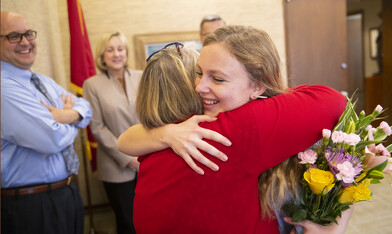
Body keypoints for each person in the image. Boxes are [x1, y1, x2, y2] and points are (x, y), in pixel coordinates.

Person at [118, 25, 350, 233]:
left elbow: (124, 141)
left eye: (217, 78)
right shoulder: (231, 130)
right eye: (198, 73)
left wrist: (163, 133)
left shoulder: (159, 144)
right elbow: (334, 101)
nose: (200, 86)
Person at [1, 11, 91, 234]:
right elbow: (51, 140)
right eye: (14, 36)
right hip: (32, 205)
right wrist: (73, 119)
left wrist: (65, 116)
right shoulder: (4, 88)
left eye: (28, 34)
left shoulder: (42, 81)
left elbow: (86, 108)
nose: (25, 42)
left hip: (67, 193)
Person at [82, 31, 141, 234]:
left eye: (120, 49)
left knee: (149, 217)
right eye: (110, 49)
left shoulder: (141, 76)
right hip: (117, 167)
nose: (116, 54)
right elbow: (97, 127)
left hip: (147, 159)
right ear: (102, 55)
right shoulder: (92, 85)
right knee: (128, 222)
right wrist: (127, 157)